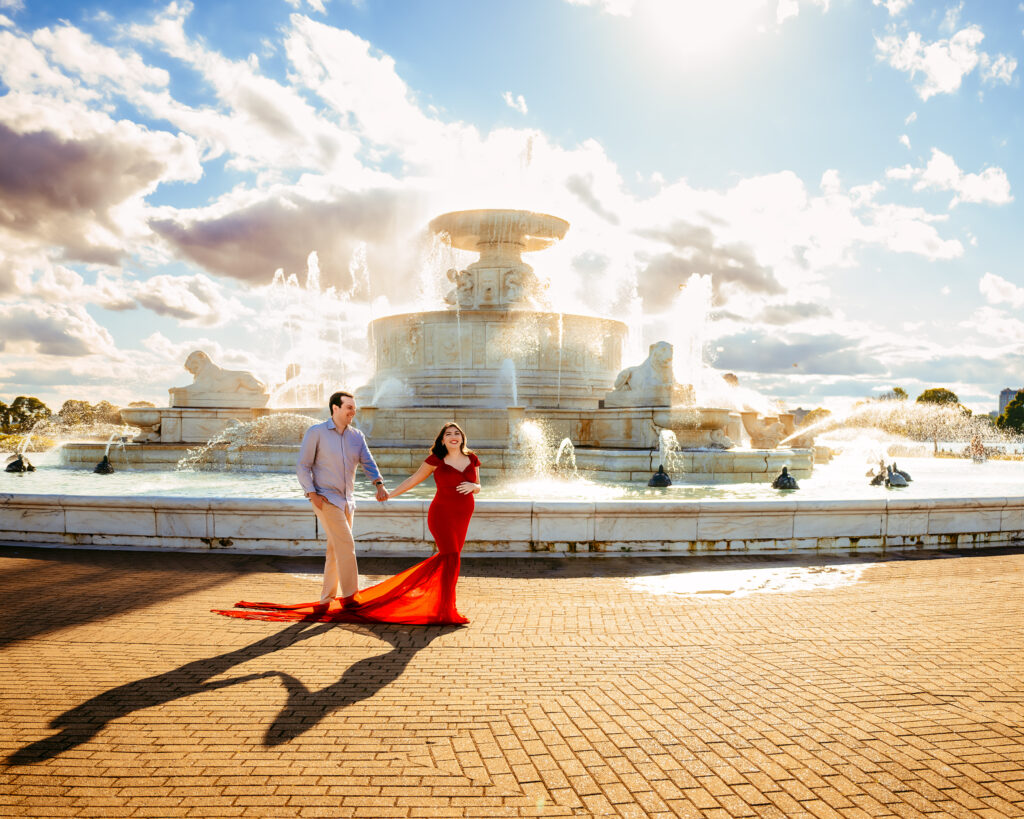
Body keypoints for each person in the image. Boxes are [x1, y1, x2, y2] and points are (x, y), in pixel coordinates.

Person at [215, 422, 480, 625]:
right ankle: (446, 609)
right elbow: (412, 480)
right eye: (448, 434)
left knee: (454, 558)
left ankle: (444, 607)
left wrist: (475, 486)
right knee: (450, 555)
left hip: (464, 512)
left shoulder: (472, 458)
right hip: (442, 513)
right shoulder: (435, 460)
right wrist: (388, 493)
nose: (453, 437)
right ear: (442, 440)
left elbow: (478, 485)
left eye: (456, 433)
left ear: (462, 438)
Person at [268, 391, 387, 611]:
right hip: (325, 498)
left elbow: (368, 462)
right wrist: (311, 493)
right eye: (349, 407)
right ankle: (351, 596)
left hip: (347, 501)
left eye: (354, 407)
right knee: (346, 544)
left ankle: (326, 598)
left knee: (335, 549)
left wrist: (378, 484)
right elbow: (303, 466)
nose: (353, 411)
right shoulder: (316, 433)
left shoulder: (357, 436)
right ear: (335, 408)